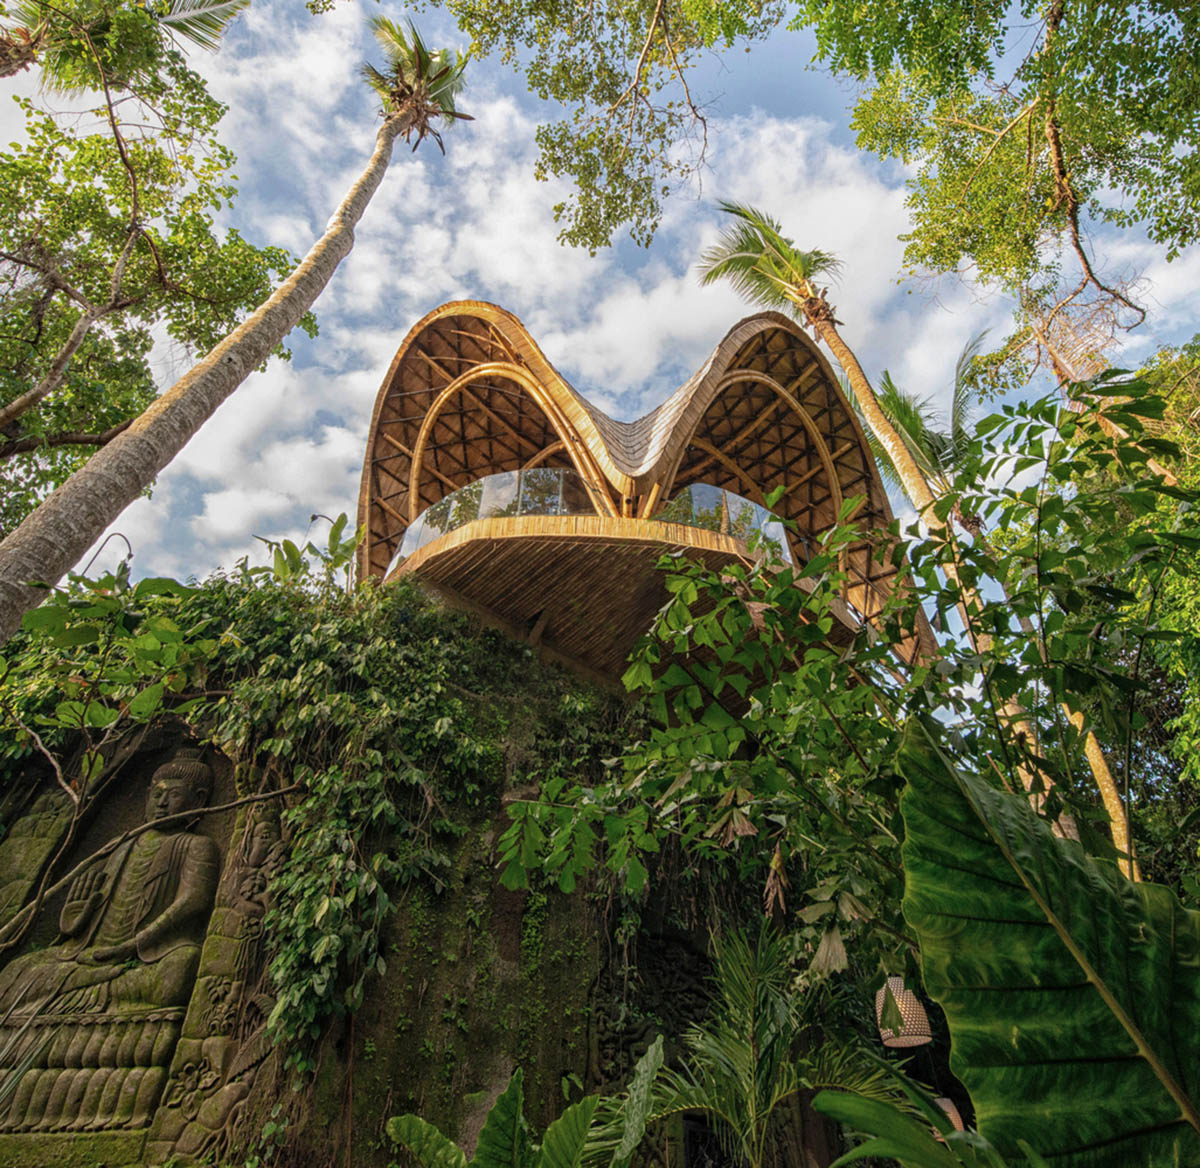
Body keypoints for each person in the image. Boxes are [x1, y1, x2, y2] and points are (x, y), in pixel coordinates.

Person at [0, 749, 220, 1017]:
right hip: (86, 956)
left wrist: (130, 946)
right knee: (13, 973)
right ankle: (91, 1000)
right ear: (147, 795)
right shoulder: (120, 846)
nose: (162, 803)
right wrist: (75, 918)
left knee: (180, 970)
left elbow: (193, 901)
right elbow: (80, 924)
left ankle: (78, 1002)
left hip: (148, 955)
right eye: (157, 794)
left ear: (198, 799)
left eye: (174, 795)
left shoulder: (196, 846)